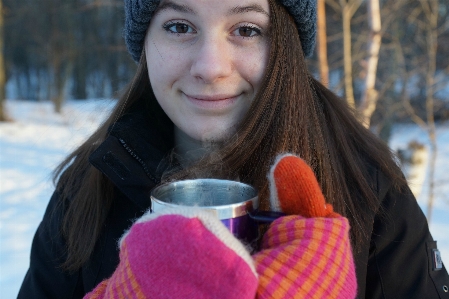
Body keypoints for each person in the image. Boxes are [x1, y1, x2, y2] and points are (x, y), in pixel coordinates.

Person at [18, 0, 449, 298]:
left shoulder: (369, 186)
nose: (210, 66)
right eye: (179, 26)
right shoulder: (89, 187)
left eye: (246, 30)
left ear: (284, 46)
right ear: (145, 43)